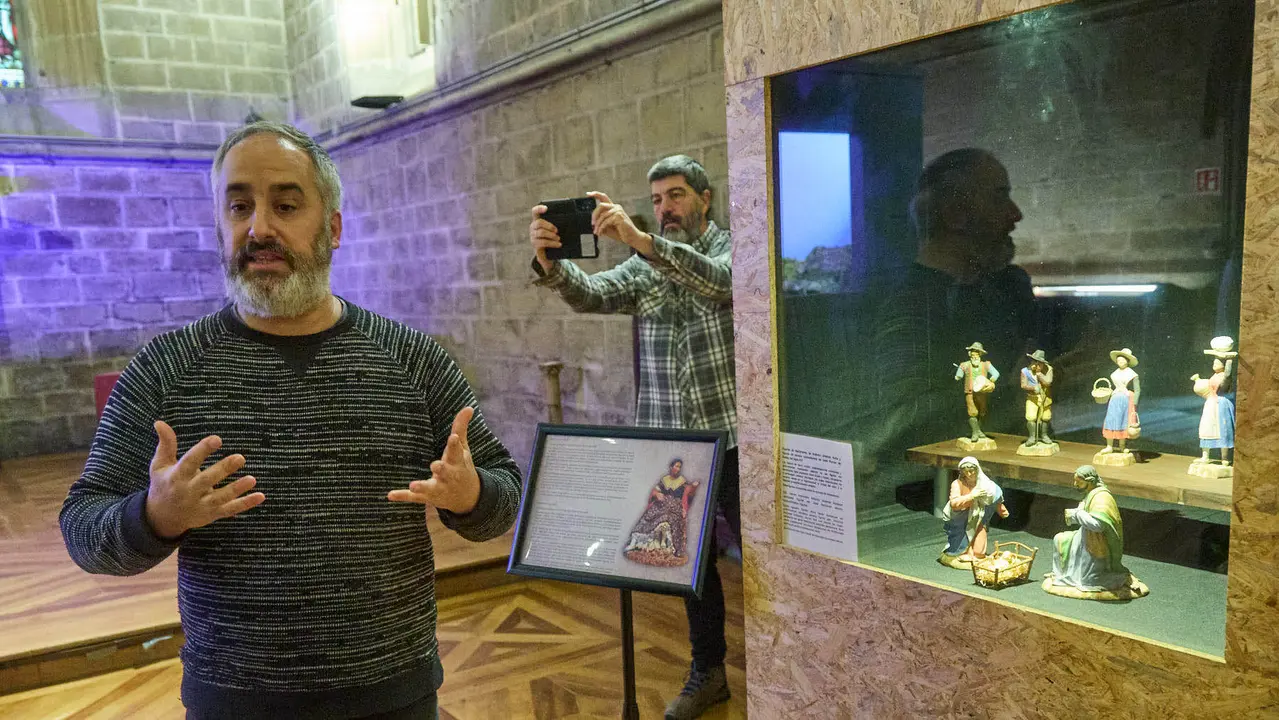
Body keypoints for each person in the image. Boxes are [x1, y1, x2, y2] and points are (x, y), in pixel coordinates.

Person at [60, 121, 522, 720]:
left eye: (285, 204)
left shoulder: (413, 360)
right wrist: (153, 517)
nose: (258, 229)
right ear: (219, 226)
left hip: (392, 692)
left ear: (331, 228)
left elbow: (504, 499)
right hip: (234, 699)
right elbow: (82, 530)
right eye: (239, 206)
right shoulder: (166, 368)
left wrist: (472, 494)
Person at [528, 155, 737, 720]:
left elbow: (719, 284)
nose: (666, 208)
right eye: (658, 199)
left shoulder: (727, 249)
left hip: (737, 440)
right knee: (690, 569)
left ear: (705, 198)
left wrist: (643, 240)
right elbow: (593, 293)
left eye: (676, 196)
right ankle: (709, 671)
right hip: (674, 446)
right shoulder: (644, 266)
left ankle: (786, 657)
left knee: (767, 561)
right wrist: (551, 265)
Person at [867, 149, 1035, 462]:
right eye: (999, 198)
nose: (1015, 214)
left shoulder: (1006, 288)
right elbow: (909, 421)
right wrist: (1014, 393)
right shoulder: (909, 305)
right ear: (955, 215)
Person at [1044, 465, 1143, 597]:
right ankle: (1060, 574)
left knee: (1088, 582)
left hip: (1098, 543)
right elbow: (1085, 508)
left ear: (1089, 481)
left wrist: (1077, 514)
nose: (1075, 485)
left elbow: (1098, 525)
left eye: (1079, 482)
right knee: (1059, 539)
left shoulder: (1102, 498)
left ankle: (1122, 578)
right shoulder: (1091, 494)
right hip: (1085, 537)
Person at [624, 458, 701, 566]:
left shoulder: (682, 481)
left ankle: (672, 549)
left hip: (674, 507)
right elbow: (655, 491)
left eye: (680, 467)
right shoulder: (664, 479)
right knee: (649, 515)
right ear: (671, 467)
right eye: (676, 466)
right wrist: (657, 494)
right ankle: (637, 543)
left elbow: (689, 494)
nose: (678, 469)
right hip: (661, 504)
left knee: (670, 518)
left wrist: (693, 487)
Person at [939, 456, 1008, 566]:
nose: (969, 474)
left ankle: (976, 555)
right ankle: (963, 553)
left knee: (979, 548)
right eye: (966, 472)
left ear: (977, 469)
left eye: (972, 471)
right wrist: (971, 496)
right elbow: (954, 504)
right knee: (961, 540)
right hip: (961, 517)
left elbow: (995, 493)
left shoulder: (985, 483)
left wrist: (1000, 508)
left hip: (978, 516)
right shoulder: (957, 484)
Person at [1192, 336, 1237, 466]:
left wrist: (1229, 361)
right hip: (1211, 403)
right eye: (1214, 363)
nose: (1214, 365)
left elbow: (1227, 376)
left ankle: (1225, 458)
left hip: (1221, 404)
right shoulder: (1214, 375)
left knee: (1223, 429)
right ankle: (1205, 456)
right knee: (1206, 428)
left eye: (1217, 363)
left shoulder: (1225, 376)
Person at [953, 342, 999, 441]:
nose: (975, 357)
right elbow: (960, 372)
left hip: (982, 392)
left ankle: (978, 430)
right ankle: (975, 432)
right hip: (970, 392)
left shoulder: (986, 365)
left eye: (977, 354)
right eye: (973, 354)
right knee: (972, 412)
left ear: (980, 355)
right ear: (970, 354)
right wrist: (958, 375)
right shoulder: (965, 365)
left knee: (982, 411)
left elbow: (996, 373)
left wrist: (991, 381)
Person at [1100, 348, 1140, 454]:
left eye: (1123, 360)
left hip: (1126, 400)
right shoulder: (1115, 374)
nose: (1120, 362)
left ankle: (1122, 446)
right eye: (1119, 360)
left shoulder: (1132, 374)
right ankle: (1109, 446)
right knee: (1111, 420)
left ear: (1127, 361)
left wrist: (1135, 402)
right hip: (1115, 399)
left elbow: (1137, 390)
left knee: (1123, 421)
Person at [1020, 350, 1054, 447]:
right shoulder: (1025, 371)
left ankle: (1044, 435)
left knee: (1046, 417)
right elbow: (1023, 385)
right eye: (1034, 361)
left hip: (1045, 398)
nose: (1036, 364)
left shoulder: (1048, 369)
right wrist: (1033, 388)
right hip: (1032, 398)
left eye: (1039, 362)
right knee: (1031, 417)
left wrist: (1039, 374)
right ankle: (1032, 437)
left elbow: (1048, 382)